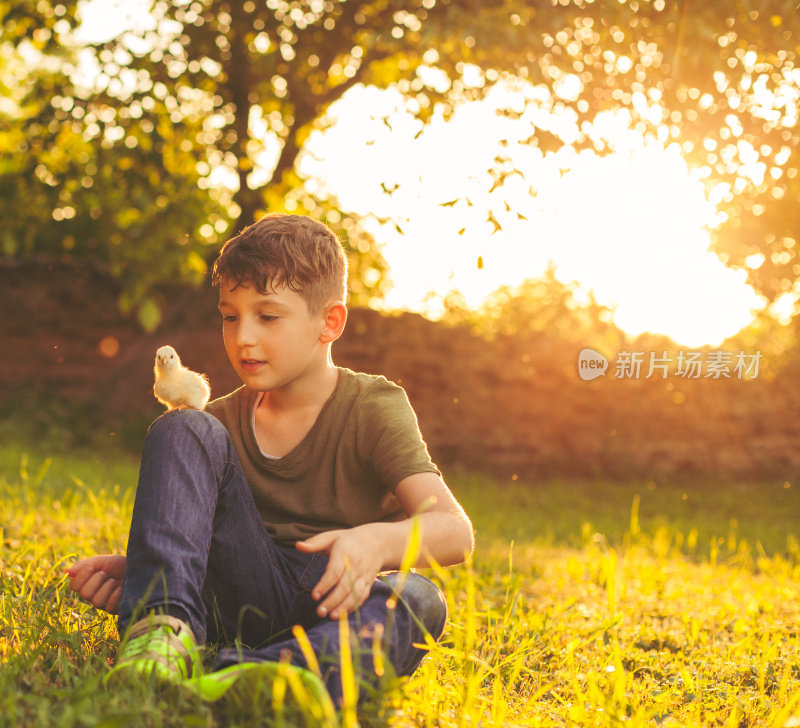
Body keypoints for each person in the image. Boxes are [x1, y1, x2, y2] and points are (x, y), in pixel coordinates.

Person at [67, 213, 474, 713]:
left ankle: (266, 675)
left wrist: (376, 540)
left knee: (418, 598)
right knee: (182, 426)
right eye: (230, 316)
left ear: (329, 322)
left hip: (331, 603)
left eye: (268, 315)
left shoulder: (373, 405)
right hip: (235, 595)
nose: (243, 338)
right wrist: (148, 572)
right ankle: (160, 636)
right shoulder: (211, 426)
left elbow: (454, 532)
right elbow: (210, 535)